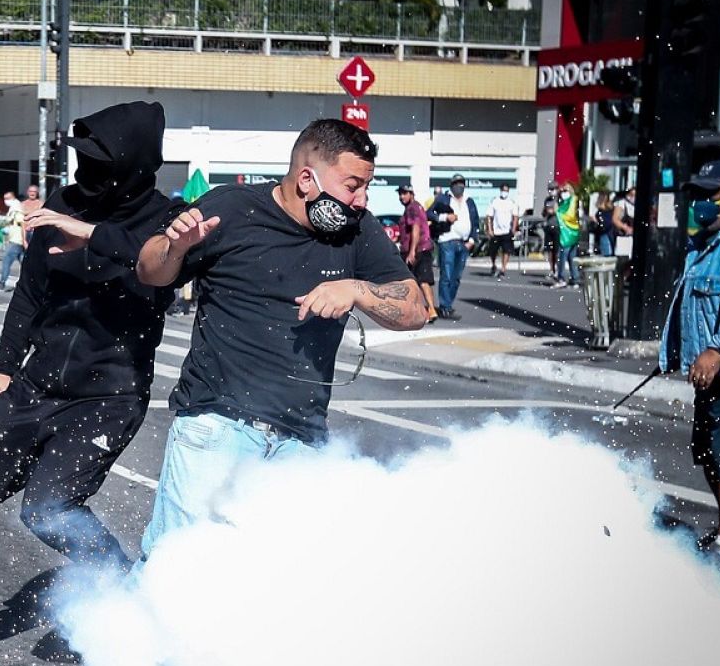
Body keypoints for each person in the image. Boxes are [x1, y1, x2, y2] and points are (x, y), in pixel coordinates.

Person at [36, 119, 427, 557]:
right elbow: (150, 269)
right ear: (306, 179)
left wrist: (356, 290)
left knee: (280, 572)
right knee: (178, 565)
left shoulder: (358, 228)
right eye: (352, 186)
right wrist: (176, 247)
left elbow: (415, 309)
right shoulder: (233, 208)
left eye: (366, 188)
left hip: (302, 439)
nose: (362, 200)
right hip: (218, 428)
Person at [0, 102, 178, 666]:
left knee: (48, 510)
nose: (85, 174)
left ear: (131, 166)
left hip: (109, 397)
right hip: (35, 387)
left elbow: (160, 270)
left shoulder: (167, 221)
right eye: (82, 160)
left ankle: (125, 591)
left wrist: (94, 239)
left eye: (99, 163)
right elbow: (29, 294)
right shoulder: (61, 205)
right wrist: (4, 368)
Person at [661, 161, 720, 575]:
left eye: (711, 194)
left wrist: (718, 348)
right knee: (706, 451)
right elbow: (688, 308)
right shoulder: (700, 245)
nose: (702, 203)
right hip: (708, 370)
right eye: (698, 195)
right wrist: (675, 353)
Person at [428, 174, 478, 320]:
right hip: (447, 241)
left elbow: (475, 221)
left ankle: (448, 303)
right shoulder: (444, 198)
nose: (459, 186)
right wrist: (444, 217)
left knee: (456, 277)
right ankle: (445, 307)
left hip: (464, 243)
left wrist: (472, 240)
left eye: (461, 183)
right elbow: (429, 213)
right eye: (456, 183)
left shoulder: (469, 201)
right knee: (447, 276)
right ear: (451, 185)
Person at [398, 185, 437, 323]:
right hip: (422, 248)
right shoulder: (416, 207)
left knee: (414, 281)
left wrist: (412, 251)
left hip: (418, 249)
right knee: (420, 281)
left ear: (411, 194)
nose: (402, 197)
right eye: (400, 194)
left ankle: (427, 310)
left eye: (404, 193)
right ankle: (429, 309)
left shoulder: (412, 208)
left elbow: (415, 228)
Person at [0, 191, 26, 291]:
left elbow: (23, 225)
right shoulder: (14, 209)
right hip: (16, 240)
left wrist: (24, 240)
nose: (5, 201)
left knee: (6, 261)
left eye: (7, 199)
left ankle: (1, 284)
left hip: (16, 240)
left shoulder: (17, 210)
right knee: (25, 264)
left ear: (13, 198)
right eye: (5, 199)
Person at [488, 184, 519, 278]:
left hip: (506, 231)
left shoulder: (511, 202)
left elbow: (515, 216)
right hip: (496, 231)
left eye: (506, 191)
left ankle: (503, 269)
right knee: (493, 251)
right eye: (503, 190)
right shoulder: (495, 201)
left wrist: (513, 229)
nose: (504, 192)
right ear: (500, 190)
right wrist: (490, 229)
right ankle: (493, 265)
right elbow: (489, 216)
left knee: (506, 250)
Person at [553, 182, 581, 288]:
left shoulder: (573, 200)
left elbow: (569, 215)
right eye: (561, 191)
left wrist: (558, 213)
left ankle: (561, 278)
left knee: (562, 257)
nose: (563, 193)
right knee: (571, 257)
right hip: (570, 232)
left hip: (567, 234)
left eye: (565, 190)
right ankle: (574, 279)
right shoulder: (564, 202)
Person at [614, 185, 636, 259]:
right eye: (631, 195)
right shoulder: (621, 203)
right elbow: (615, 219)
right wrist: (625, 227)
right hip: (624, 239)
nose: (633, 197)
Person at [592, 190, 616, 257]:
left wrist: (596, 222)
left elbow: (604, 224)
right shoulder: (611, 209)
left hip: (605, 234)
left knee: (607, 255)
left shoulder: (602, 211)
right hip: (609, 234)